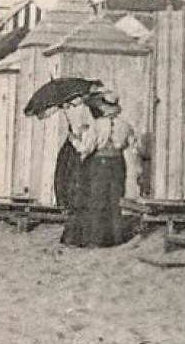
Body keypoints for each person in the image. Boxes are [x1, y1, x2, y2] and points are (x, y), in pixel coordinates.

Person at [58, 88, 138, 248]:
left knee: (98, 201)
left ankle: (97, 240)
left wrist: (74, 140)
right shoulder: (126, 125)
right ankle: (115, 238)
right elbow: (134, 147)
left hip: (99, 164)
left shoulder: (97, 126)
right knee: (115, 201)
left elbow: (85, 149)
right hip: (118, 163)